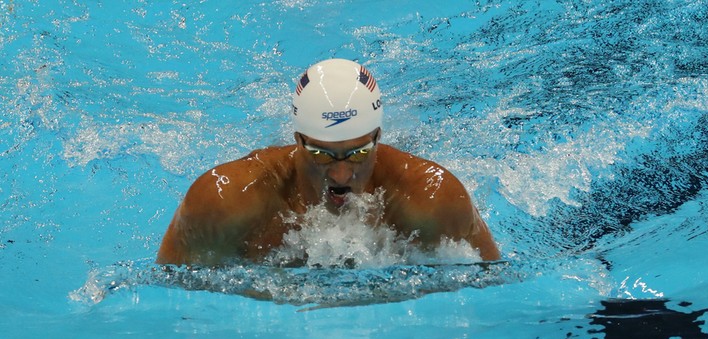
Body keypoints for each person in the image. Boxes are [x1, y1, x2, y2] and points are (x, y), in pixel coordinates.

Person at [155, 58, 500, 266]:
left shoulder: (433, 199)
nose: (340, 173)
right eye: (321, 154)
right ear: (297, 141)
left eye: (359, 153)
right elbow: (171, 300)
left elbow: (492, 292)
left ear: (378, 137)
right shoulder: (225, 201)